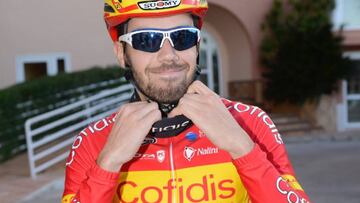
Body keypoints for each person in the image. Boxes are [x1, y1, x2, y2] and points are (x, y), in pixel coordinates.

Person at [62, 0, 311, 202]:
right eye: (146, 40)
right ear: (121, 54)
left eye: (182, 37)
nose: (169, 56)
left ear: (197, 45)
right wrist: (107, 165)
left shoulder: (251, 123)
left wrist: (242, 148)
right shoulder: (93, 142)